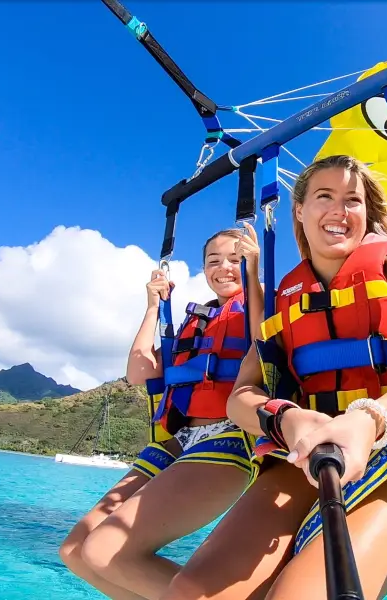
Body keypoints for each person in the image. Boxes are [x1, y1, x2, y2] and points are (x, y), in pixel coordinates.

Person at [158, 154, 387, 600]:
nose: (339, 209)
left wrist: (370, 417)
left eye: (352, 200)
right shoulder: (283, 298)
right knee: (192, 591)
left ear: (366, 213)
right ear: (299, 210)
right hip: (308, 447)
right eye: (324, 196)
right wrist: (285, 419)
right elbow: (243, 396)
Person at [58, 224, 265, 600]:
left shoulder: (255, 309)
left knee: (105, 551)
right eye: (214, 261)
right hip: (176, 442)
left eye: (235, 259)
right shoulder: (193, 320)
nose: (224, 267)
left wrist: (254, 273)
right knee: (75, 551)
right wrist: (154, 307)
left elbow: (261, 337)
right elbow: (138, 373)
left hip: (230, 438)